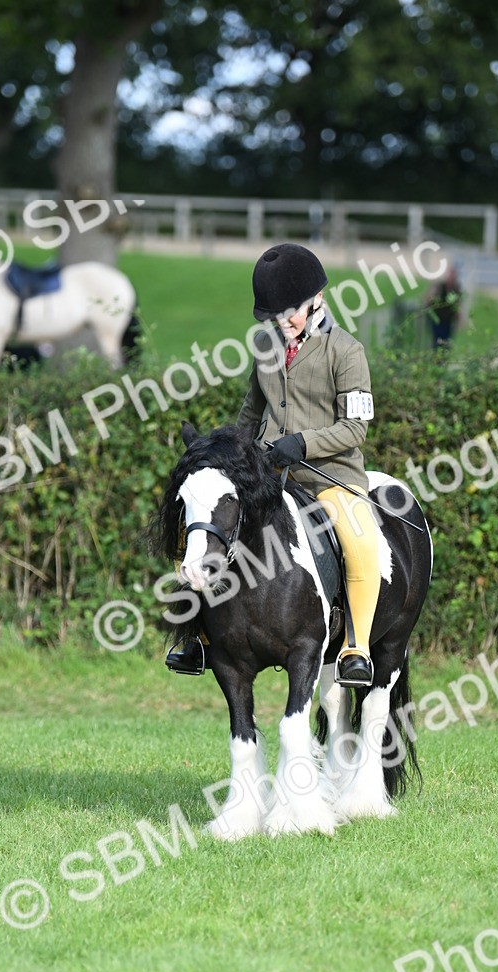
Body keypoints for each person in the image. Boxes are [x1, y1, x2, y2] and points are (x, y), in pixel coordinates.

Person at [166, 242, 380, 687]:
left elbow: (355, 428)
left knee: (360, 542)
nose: (283, 323)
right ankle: (197, 638)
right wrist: (229, 456)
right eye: (274, 316)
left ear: (317, 299)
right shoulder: (266, 345)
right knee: (207, 530)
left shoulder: (346, 351)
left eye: (290, 313)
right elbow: (251, 412)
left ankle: (355, 649)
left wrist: (303, 443)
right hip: (268, 475)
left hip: (329, 477)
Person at [425, 266, 463, 349]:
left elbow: (458, 306)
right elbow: (428, 299)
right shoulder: (440, 287)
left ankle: (443, 354)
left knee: (446, 341)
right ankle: (436, 354)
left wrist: (459, 320)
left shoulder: (456, 289)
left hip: (448, 321)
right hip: (437, 319)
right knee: (436, 341)